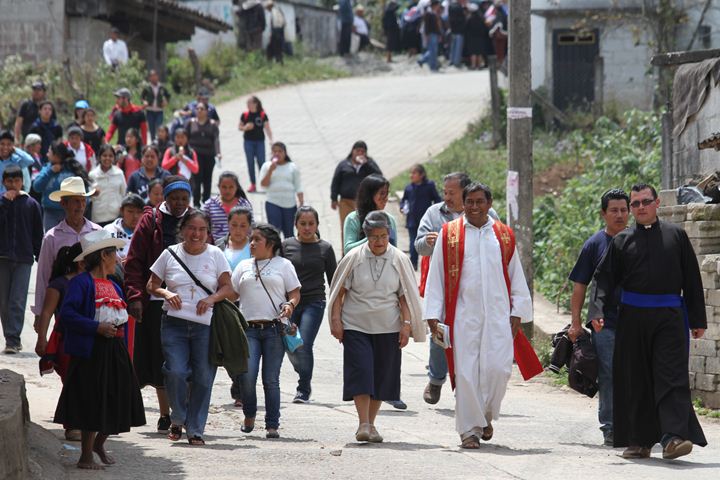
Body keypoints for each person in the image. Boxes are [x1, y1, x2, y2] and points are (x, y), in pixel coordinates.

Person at [592, 183, 708, 460]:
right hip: (632, 318)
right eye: (636, 204)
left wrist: (697, 318)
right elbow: (604, 279)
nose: (640, 208)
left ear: (657, 203)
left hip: (669, 317)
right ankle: (639, 441)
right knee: (636, 378)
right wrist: (596, 311)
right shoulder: (621, 241)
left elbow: (692, 279)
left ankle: (673, 438)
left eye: (646, 202)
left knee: (670, 375)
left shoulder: (676, 236)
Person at [423, 182, 532, 449]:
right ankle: (468, 430)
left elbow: (515, 274)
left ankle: (485, 415)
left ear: (489, 204)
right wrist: (433, 314)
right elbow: (436, 275)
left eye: (479, 202)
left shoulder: (503, 236)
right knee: (466, 372)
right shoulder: (449, 234)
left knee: (499, 370)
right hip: (463, 316)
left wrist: (517, 310)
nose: (473, 207)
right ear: (463, 203)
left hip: (497, 315)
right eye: (469, 201)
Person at [329, 211, 425, 442]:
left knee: (382, 377)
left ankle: (371, 424)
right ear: (366, 236)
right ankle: (363, 423)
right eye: (374, 237)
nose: (379, 241)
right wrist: (335, 320)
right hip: (356, 325)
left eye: (383, 236)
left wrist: (406, 326)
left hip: (388, 327)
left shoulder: (399, 259)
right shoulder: (354, 257)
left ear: (389, 235)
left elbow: (405, 297)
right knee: (361, 372)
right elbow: (339, 292)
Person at [54, 230, 145, 470]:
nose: (117, 258)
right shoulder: (81, 283)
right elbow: (67, 316)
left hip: (115, 350)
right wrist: (95, 328)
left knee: (120, 399)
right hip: (91, 351)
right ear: (104, 255)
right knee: (92, 401)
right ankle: (85, 456)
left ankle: (99, 444)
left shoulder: (114, 284)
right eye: (113, 253)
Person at [148, 210, 234, 446]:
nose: (196, 234)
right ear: (182, 229)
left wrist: (211, 299)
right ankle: (178, 418)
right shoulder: (169, 254)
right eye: (192, 228)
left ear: (207, 232)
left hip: (205, 326)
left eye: (202, 230)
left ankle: (195, 429)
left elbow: (228, 288)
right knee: (175, 371)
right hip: (173, 323)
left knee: (204, 377)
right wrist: (166, 292)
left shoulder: (216, 254)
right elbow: (152, 285)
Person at [415, 172, 496, 404]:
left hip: (476, 288)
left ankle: (471, 391)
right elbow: (418, 246)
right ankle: (436, 379)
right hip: (444, 285)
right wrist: (428, 243)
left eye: (452, 192)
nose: (447, 197)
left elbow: (500, 243)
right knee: (440, 333)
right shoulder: (434, 213)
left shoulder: (488, 215)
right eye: (445, 192)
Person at [124, 176, 193, 434]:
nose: (178, 203)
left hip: (190, 303)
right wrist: (135, 297)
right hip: (156, 302)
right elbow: (134, 261)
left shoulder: (194, 220)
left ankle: (183, 410)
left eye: (184, 198)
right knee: (159, 360)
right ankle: (166, 414)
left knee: (187, 360)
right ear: (164, 197)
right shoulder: (150, 221)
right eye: (174, 198)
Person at [567, 189, 629, 447]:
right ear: (603, 213)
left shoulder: (638, 240)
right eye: (613, 210)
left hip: (637, 321)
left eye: (623, 210)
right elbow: (579, 286)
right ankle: (611, 427)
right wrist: (576, 322)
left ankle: (638, 424)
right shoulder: (594, 244)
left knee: (638, 373)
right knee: (609, 373)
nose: (619, 215)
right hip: (604, 322)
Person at [231, 224, 301, 439]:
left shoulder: (284, 265)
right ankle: (249, 414)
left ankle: (272, 424)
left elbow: (295, 293)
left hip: (274, 330)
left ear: (270, 244)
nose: (251, 243)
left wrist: (290, 304)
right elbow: (231, 294)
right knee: (247, 376)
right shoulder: (243, 265)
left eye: (256, 239)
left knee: (271, 379)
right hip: (248, 330)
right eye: (251, 239)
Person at [32, 177, 102, 337]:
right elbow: (43, 276)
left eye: (83, 201)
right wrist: (40, 313)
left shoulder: (97, 232)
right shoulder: (52, 237)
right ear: (64, 203)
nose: (80, 206)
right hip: (64, 300)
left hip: (94, 299)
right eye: (76, 201)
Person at [282, 206, 337, 403]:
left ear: (317, 225)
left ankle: (303, 388)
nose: (306, 228)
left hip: (314, 302)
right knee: (290, 344)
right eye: (303, 224)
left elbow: (334, 280)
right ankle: (303, 368)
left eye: (311, 224)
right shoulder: (286, 246)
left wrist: (338, 309)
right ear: (296, 224)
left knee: (304, 343)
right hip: (289, 304)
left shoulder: (326, 248)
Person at [0, 166, 43, 354]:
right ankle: (10, 336)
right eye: (9, 181)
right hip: (2, 258)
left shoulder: (31, 204)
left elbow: (36, 232)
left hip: (24, 259)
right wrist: (5, 204)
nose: (13, 185)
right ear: (3, 183)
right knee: (3, 301)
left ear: (22, 181)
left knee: (17, 300)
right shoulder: (0, 202)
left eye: (16, 181)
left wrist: (39, 254)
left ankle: (12, 339)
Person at [215, 206, 254, 406]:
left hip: (248, 304)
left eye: (243, 226)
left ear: (249, 227)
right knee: (228, 347)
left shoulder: (255, 247)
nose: (238, 230)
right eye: (234, 225)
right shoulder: (219, 246)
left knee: (244, 347)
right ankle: (236, 381)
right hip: (224, 304)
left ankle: (241, 387)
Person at [35, 243, 83, 394]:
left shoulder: (97, 282)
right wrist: (42, 339)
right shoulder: (59, 285)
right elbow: (47, 313)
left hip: (90, 340)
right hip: (66, 342)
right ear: (82, 262)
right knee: (71, 383)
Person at [33, 142, 92, 232]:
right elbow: (37, 187)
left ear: (56, 155)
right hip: (51, 214)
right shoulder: (47, 168)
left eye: (49, 152)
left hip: (72, 213)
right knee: (53, 241)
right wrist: (50, 171)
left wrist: (81, 208)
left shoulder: (72, 168)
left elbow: (84, 189)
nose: (47, 154)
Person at [330, 141, 383, 240]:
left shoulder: (369, 164)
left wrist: (366, 164)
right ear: (352, 151)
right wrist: (333, 198)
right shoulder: (343, 164)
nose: (359, 153)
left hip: (364, 202)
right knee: (347, 227)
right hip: (346, 201)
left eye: (362, 151)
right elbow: (336, 181)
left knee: (364, 227)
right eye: (357, 150)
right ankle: (346, 253)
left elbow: (379, 176)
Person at [343, 174, 397, 255]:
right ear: (369, 195)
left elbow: (394, 248)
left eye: (387, 193)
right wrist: (371, 238)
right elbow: (348, 250)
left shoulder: (390, 220)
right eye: (382, 193)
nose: (386, 198)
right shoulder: (353, 219)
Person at [400, 164, 441, 270]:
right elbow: (404, 200)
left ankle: (428, 265)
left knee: (427, 242)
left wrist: (437, 212)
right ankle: (413, 264)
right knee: (413, 241)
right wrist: (402, 207)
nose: (411, 175)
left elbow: (437, 199)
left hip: (426, 220)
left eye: (414, 173)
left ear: (421, 175)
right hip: (412, 220)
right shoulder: (409, 188)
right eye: (411, 173)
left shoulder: (429, 186)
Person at [259, 142, 303, 238]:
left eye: (280, 151)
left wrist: (301, 202)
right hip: (273, 202)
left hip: (289, 204)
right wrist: (270, 170)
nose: (277, 154)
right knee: (274, 231)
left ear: (285, 153)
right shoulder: (267, 166)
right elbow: (263, 184)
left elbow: (298, 185)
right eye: (274, 151)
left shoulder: (292, 167)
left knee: (289, 232)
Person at [186, 103, 221, 207]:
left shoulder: (212, 124)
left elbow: (216, 139)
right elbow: (185, 137)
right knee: (196, 179)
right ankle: (196, 203)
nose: (199, 110)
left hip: (209, 155)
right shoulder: (191, 123)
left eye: (202, 109)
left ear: (207, 111)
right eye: (197, 109)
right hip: (195, 156)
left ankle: (206, 203)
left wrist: (218, 152)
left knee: (207, 179)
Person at [202, 171, 252, 240]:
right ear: (218, 187)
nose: (227, 190)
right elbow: (202, 226)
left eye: (231, 187)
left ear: (236, 187)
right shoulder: (209, 204)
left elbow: (251, 227)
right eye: (224, 187)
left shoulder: (244, 204)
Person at [239, 96, 273, 193]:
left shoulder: (262, 115)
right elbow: (239, 127)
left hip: (260, 142)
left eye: (249, 103)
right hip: (248, 142)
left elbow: (267, 128)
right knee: (250, 163)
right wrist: (245, 128)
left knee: (261, 163)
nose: (248, 105)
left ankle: (264, 184)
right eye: (247, 103)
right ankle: (253, 184)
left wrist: (271, 140)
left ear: (255, 104)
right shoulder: (245, 115)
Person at [89, 145, 126, 227]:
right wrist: (93, 193)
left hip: (116, 216)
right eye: (104, 155)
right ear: (99, 157)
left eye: (110, 156)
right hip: (98, 216)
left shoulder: (119, 173)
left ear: (114, 158)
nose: (107, 158)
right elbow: (88, 196)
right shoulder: (92, 174)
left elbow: (124, 193)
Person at [104, 193, 145, 261]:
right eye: (130, 211)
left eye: (139, 212)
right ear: (121, 211)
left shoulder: (146, 232)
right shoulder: (109, 230)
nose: (135, 216)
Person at [141, 70, 171, 141]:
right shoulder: (147, 87)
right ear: (150, 78)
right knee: (151, 129)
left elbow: (168, 95)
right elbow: (142, 97)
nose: (153, 78)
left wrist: (166, 102)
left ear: (157, 77)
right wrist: (144, 102)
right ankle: (153, 143)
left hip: (159, 111)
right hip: (150, 111)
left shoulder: (162, 87)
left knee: (159, 127)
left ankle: (159, 142)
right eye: (152, 76)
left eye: (155, 76)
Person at [465, 2, 492, 69]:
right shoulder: (481, 18)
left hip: (472, 38)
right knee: (479, 52)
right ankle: (479, 65)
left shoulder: (469, 18)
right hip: (480, 37)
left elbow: (466, 28)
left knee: (473, 52)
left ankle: (473, 65)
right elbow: (485, 27)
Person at [418, 0, 443, 71]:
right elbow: (427, 26)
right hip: (431, 34)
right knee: (432, 51)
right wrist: (427, 35)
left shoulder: (434, 13)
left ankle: (424, 61)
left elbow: (437, 26)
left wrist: (439, 34)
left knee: (433, 51)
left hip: (435, 34)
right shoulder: (428, 13)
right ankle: (432, 66)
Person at [448, 0, 467, 68]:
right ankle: (456, 62)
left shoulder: (451, 6)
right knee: (458, 48)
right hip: (459, 31)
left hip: (453, 30)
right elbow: (462, 19)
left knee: (453, 47)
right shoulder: (459, 7)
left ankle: (452, 61)